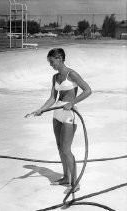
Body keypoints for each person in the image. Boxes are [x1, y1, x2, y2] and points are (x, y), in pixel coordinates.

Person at [29, 48, 92, 193]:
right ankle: (65, 177)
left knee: (66, 149)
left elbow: (88, 90)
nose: (50, 65)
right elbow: (52, 98)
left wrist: (72, 102)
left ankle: (75, 183)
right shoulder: (55, 77)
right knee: (59, 147)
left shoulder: (72, 74)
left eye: (51, 61)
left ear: (59, 58)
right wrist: (41, 109)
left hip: (69, 114)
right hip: (57, 112)